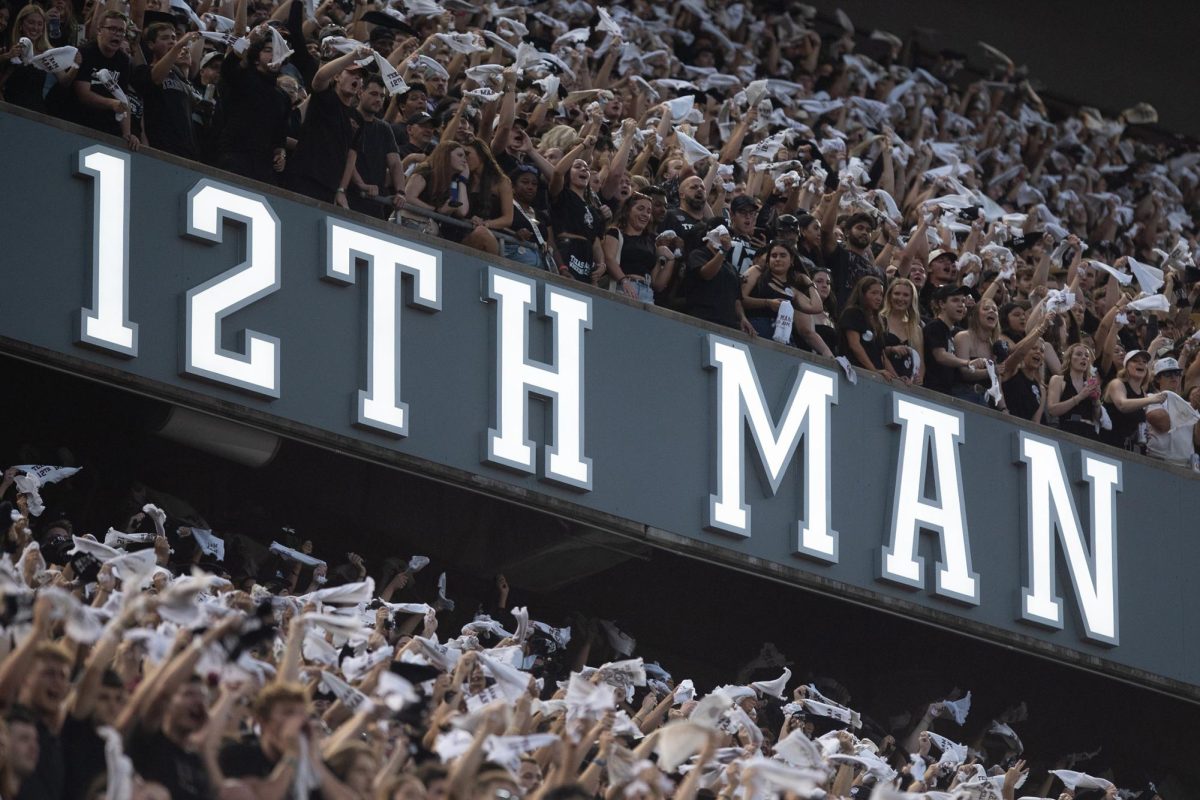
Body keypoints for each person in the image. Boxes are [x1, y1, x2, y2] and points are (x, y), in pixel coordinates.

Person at [212, 25, 290, 183]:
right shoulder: (242, 78)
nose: (274, 55)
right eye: (268, 50)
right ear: (255, 57)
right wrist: (249, 40)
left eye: (277, 51)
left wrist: (280, 154)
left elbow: (280, 136)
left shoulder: (283, 97)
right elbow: (228, 66)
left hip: (264, 168)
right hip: (234, 157)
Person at [289, 48, 367, 205]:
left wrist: (341, 189)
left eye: (359, 77)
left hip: (330, 186)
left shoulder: (357, 118)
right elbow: (319, 78)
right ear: (337, 76)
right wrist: (352, 56)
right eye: (351, 73)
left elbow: (351, 157)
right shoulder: (325, 96)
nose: (356, 78)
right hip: (305, 175)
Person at [70, 10, 137, 148]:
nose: (117, 34)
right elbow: (83, 94)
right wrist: (112, 104)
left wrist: (127, 134)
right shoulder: (86, 52)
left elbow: (123, 99)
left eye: (121, 31)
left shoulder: (124, 60)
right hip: (76, 120)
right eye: (112, 29)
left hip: (105, 125)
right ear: (99, 30)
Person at [133, 26, 202, 159]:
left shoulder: (181, 78)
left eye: (173, 38)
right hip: (159, 147)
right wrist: (179, 45)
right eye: (165, 38)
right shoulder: (144, 71)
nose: (171, 42)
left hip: (186, 151)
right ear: (151, 44)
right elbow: (156, 78)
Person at [548, 135, 606, 285]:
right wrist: (583, 147)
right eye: (577, 166)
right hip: (566, 250)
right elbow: (557, 172)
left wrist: (601, 264)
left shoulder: (593, 209)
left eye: (586, 168)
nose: (584, 169)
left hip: (586, 259)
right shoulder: (561, 194)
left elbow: (595, 241)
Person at [682, 218, 755, 335]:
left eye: (728, 236)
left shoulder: (730, 267)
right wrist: (723, 252)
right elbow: (706, 274)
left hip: (728, 324)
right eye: (722, 234)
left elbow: (736, 299)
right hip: (702, 319)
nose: (725, 238)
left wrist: (742, 318)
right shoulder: (698, 254)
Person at [346, 74, 404, 219]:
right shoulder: (348, 118)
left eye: (382, 96)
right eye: (373, 94)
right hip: (348, 196)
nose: (378, 99)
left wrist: (400, 192)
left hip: (375, 202)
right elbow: (345, 156)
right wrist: (361, 184)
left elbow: (395, 163)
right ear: (360, 93)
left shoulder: (384, 128)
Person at [740, 241, 823, 340]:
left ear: (791, 260)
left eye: (783, 255)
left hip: (781, 337)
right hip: (754, 330)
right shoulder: (757, 272)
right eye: (774, 256)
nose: (778, 259)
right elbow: (740, 298)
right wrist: (768, 303)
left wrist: (809, 283)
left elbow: (816, 307)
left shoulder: (792, 289)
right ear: (768, 260)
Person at [603, 193, 676, 303]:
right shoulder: (615, 233)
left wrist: (671, 259)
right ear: (628, 210)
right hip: (622, 289)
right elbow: (609, 259)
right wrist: (624, 281)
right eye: (640, 209)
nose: (645, 214)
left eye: (648, 211)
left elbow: (657, 284)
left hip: (647, 293)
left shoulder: (651, 242)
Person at [923, 285, 989, 397]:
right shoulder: (935, 327)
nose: (961, 305)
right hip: (933, 392)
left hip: (950, 393)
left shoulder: (957, 332)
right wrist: (967, 363)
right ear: (942, 304)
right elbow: (941, 355)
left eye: (963, 301)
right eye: (955, 300)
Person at [458, 137, 513, 256]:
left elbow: (508, 219)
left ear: (482, 155)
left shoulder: (501, 182)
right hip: (461, 233)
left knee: (481, 233)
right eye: (461, 155)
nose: (464, 159)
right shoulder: (460, 179)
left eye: (467, 154)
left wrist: (485, 224)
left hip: (489, 235)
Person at [403, 140, 470, 234]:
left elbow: (462, 211)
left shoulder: (453, 182)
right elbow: (408, 197)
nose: (465, 161)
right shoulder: (426, 171)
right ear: (445, 155)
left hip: (427, 229)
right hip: (407, 223)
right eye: (460, 155)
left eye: (464, 157)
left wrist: (463, 181)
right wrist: (435, 211)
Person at [1101, 350, 1161, 452]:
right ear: (1126, 367)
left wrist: (1142, 433)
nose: (1141, 363)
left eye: (1144, 362)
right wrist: (1150, 400)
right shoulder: (1117, 383)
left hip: (1129, 450)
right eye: (1135, 360)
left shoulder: (1144, 394)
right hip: (1109, 446)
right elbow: (1122, 405)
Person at [838, 276, 897, 378]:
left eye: (881, 294)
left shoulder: (881, 320)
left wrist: (897, 379)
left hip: (875, 376)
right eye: (874, 293)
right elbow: (855, 345)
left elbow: (882, 355)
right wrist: (873, 371)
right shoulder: (853, 313)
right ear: (862, 294)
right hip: (855, 373)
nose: (878, 298)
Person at [1145, 357, 1200, 466]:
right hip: (1157, 462)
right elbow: (1163, 425)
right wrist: (1191, 408)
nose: (1174, 377)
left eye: (1177, 373)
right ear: (1157, 379)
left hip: (1186, 465)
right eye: (1168, 374)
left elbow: (1198, 440)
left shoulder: (1190, 405)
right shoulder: (1151, 398)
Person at [1047, 343, 1103, 441]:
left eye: (1086, 356)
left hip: (1089, 435)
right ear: (1069, 358)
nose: (1084, 358)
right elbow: (1052, 410)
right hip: (1066, 433)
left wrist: (1096, 401)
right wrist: (1080, 397)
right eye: (1078, 354)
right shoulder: (1058, 380)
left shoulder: (1089, 384)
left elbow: (1097, 419)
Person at [505, 164, 551, 269]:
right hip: (514, 260)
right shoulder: (505, 205)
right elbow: (493, 225)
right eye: (525, 182)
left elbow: (551, 244)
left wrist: (562, 267)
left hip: (542, 263)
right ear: (512, 186)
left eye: (534, 184)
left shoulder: (542, 215)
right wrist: (513, 234)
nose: (530, 187)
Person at [881, 277, 922, 384]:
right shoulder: (879, 320)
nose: (900, 298)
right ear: (889, 296)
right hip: (884, 380)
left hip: (908, 386)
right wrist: (892, 349)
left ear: (912, 299)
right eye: (897, 293)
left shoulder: (916, 329)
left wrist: (918, 380)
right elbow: (875, 352)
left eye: (906, 295)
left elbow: (920, 362)